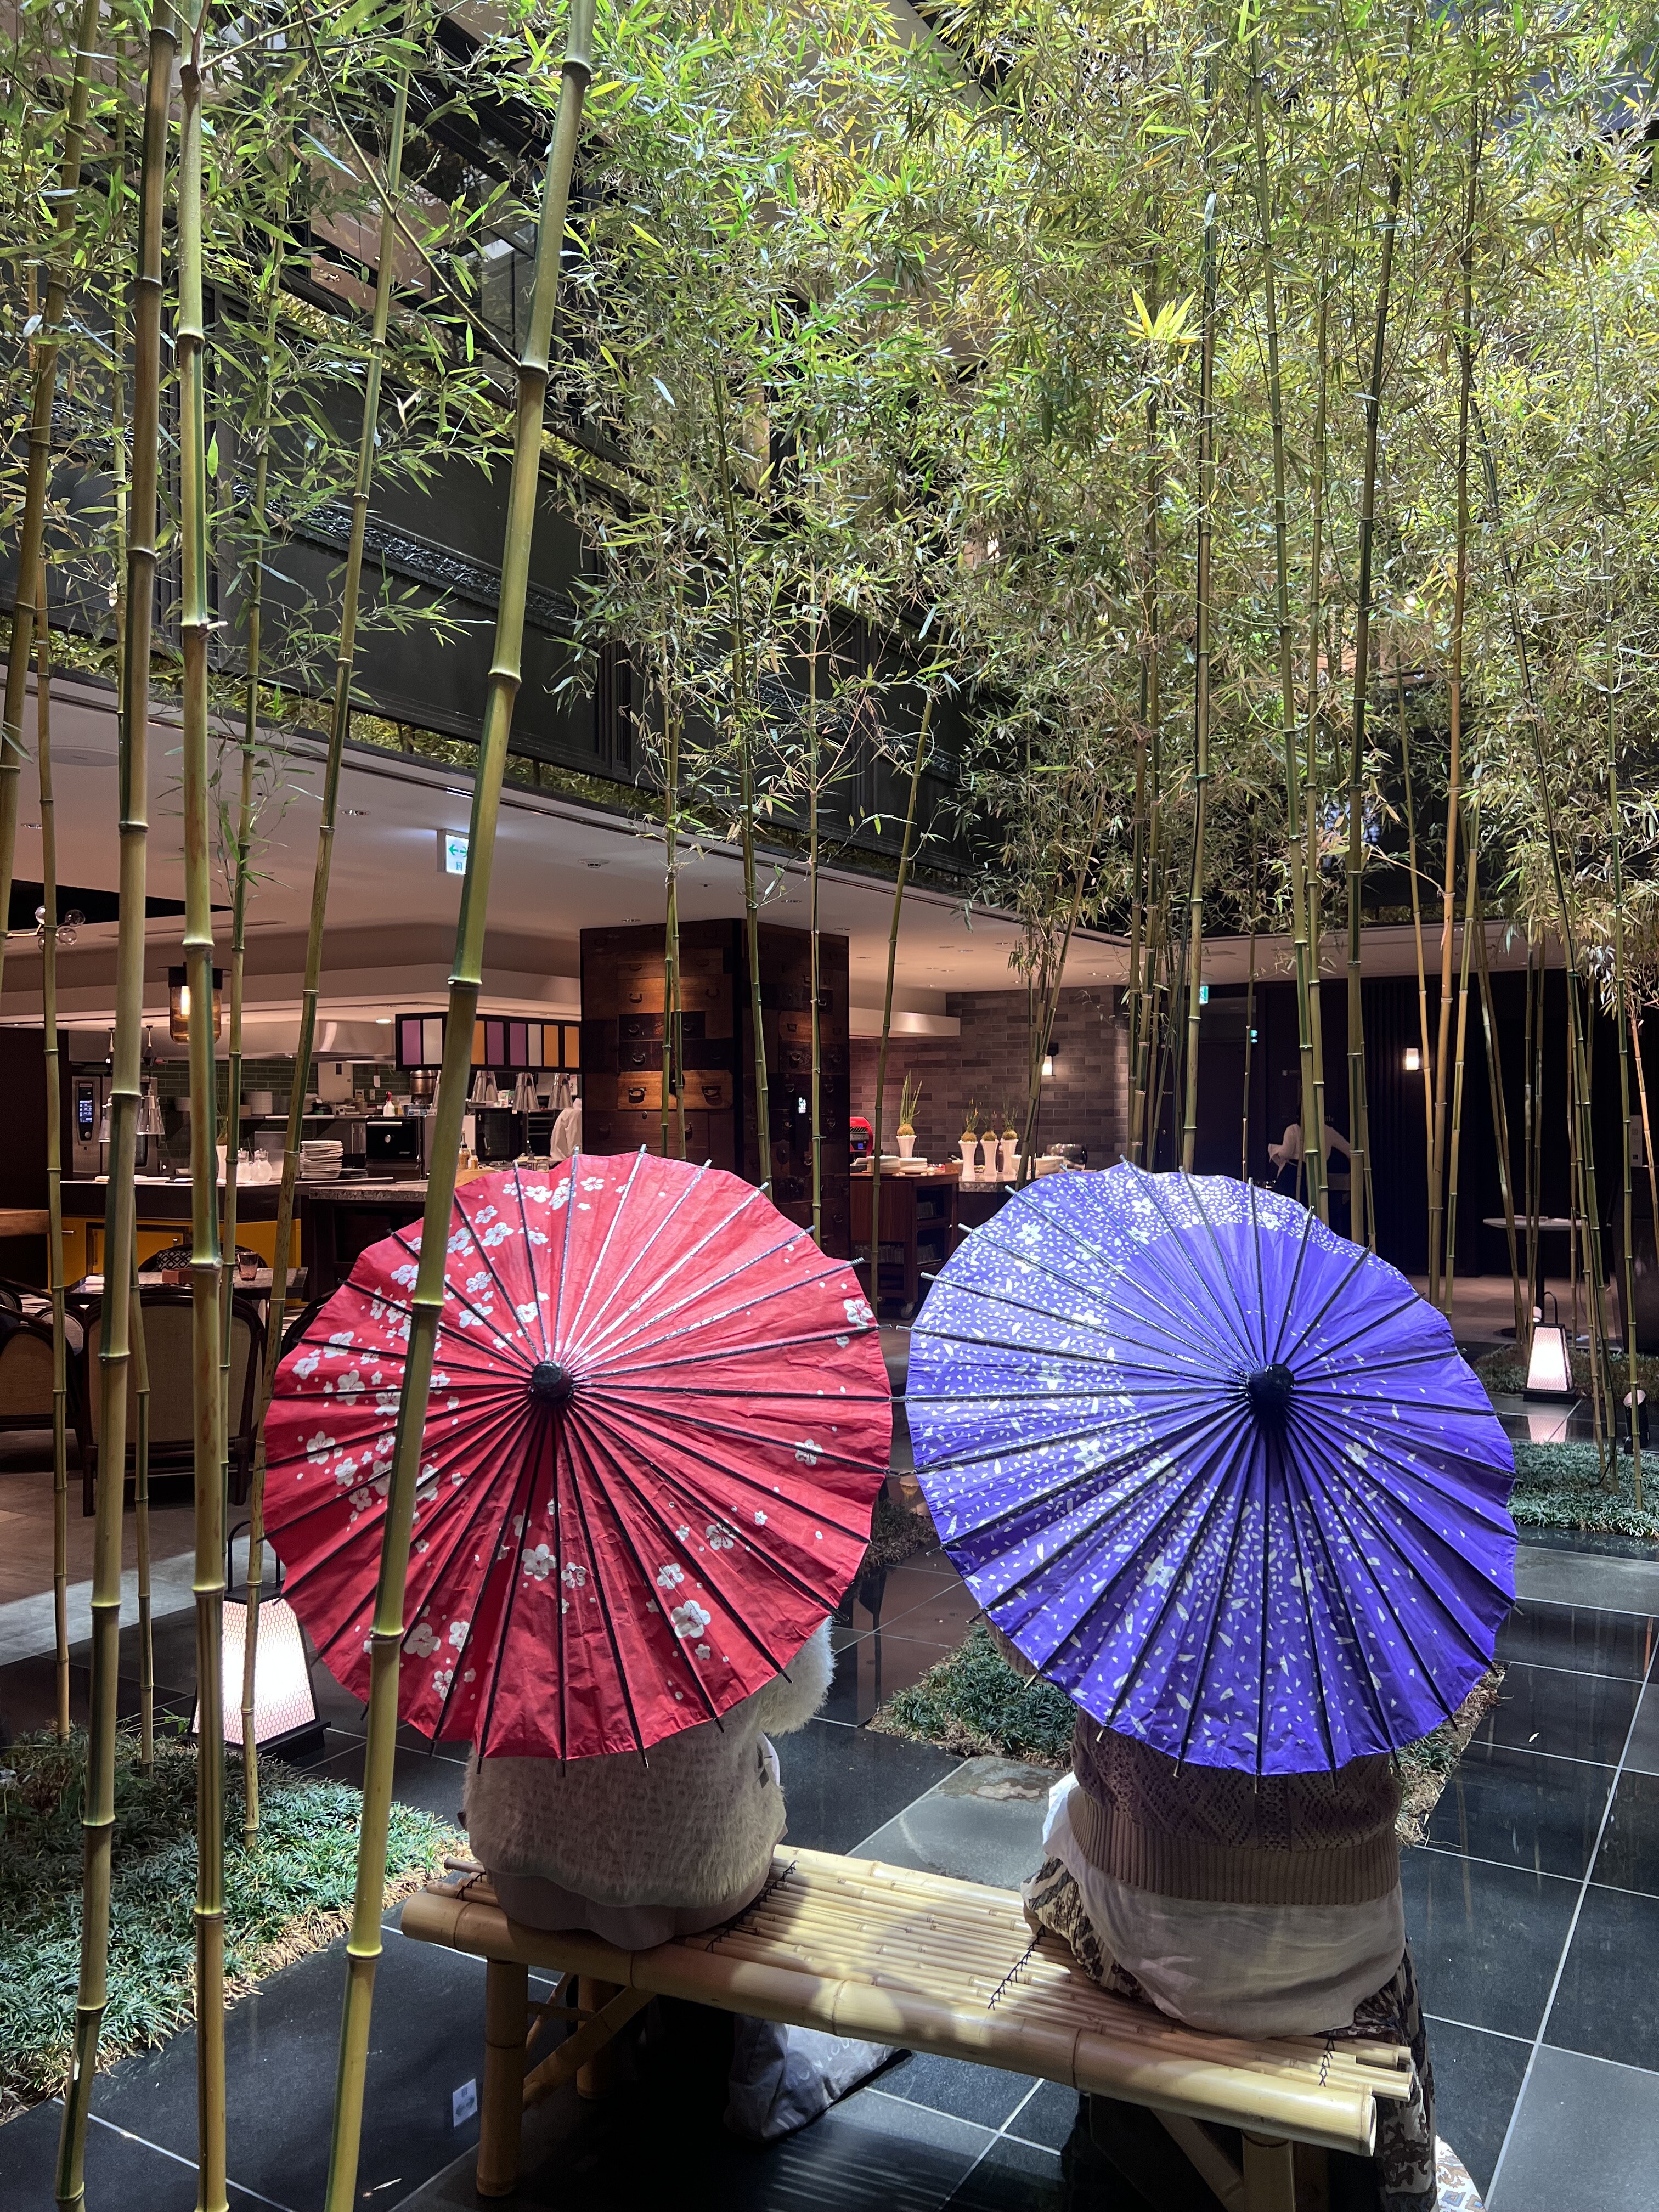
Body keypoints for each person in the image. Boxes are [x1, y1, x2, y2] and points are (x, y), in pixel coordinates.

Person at [462, 1618, 890, 2139]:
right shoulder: (743, 1584)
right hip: (691, 1887)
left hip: (522, 1872)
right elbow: (790, 1706)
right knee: (755, 1758)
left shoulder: (505, 1584)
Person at [1023, 1703, 1436, 2211]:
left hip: (1144, 1937)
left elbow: (1030, 1661)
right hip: (1346, 1946)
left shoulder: (1146, 1648)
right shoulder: (1358, 1650)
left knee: (1068, 1826)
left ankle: (1109, 2135)